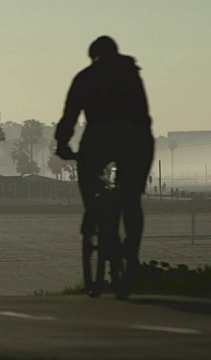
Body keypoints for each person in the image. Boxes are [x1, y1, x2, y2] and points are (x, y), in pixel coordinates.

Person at [54, 36, 154, 299]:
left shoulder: (86, 77)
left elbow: (70, 115)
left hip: (101, 137)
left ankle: (95, 215)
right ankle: (131, 254)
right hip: (137, 138)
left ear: (93, 57)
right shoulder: (131, 73)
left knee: (88, 179)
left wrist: (62, 145)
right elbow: (144, 112)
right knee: (132, 200)